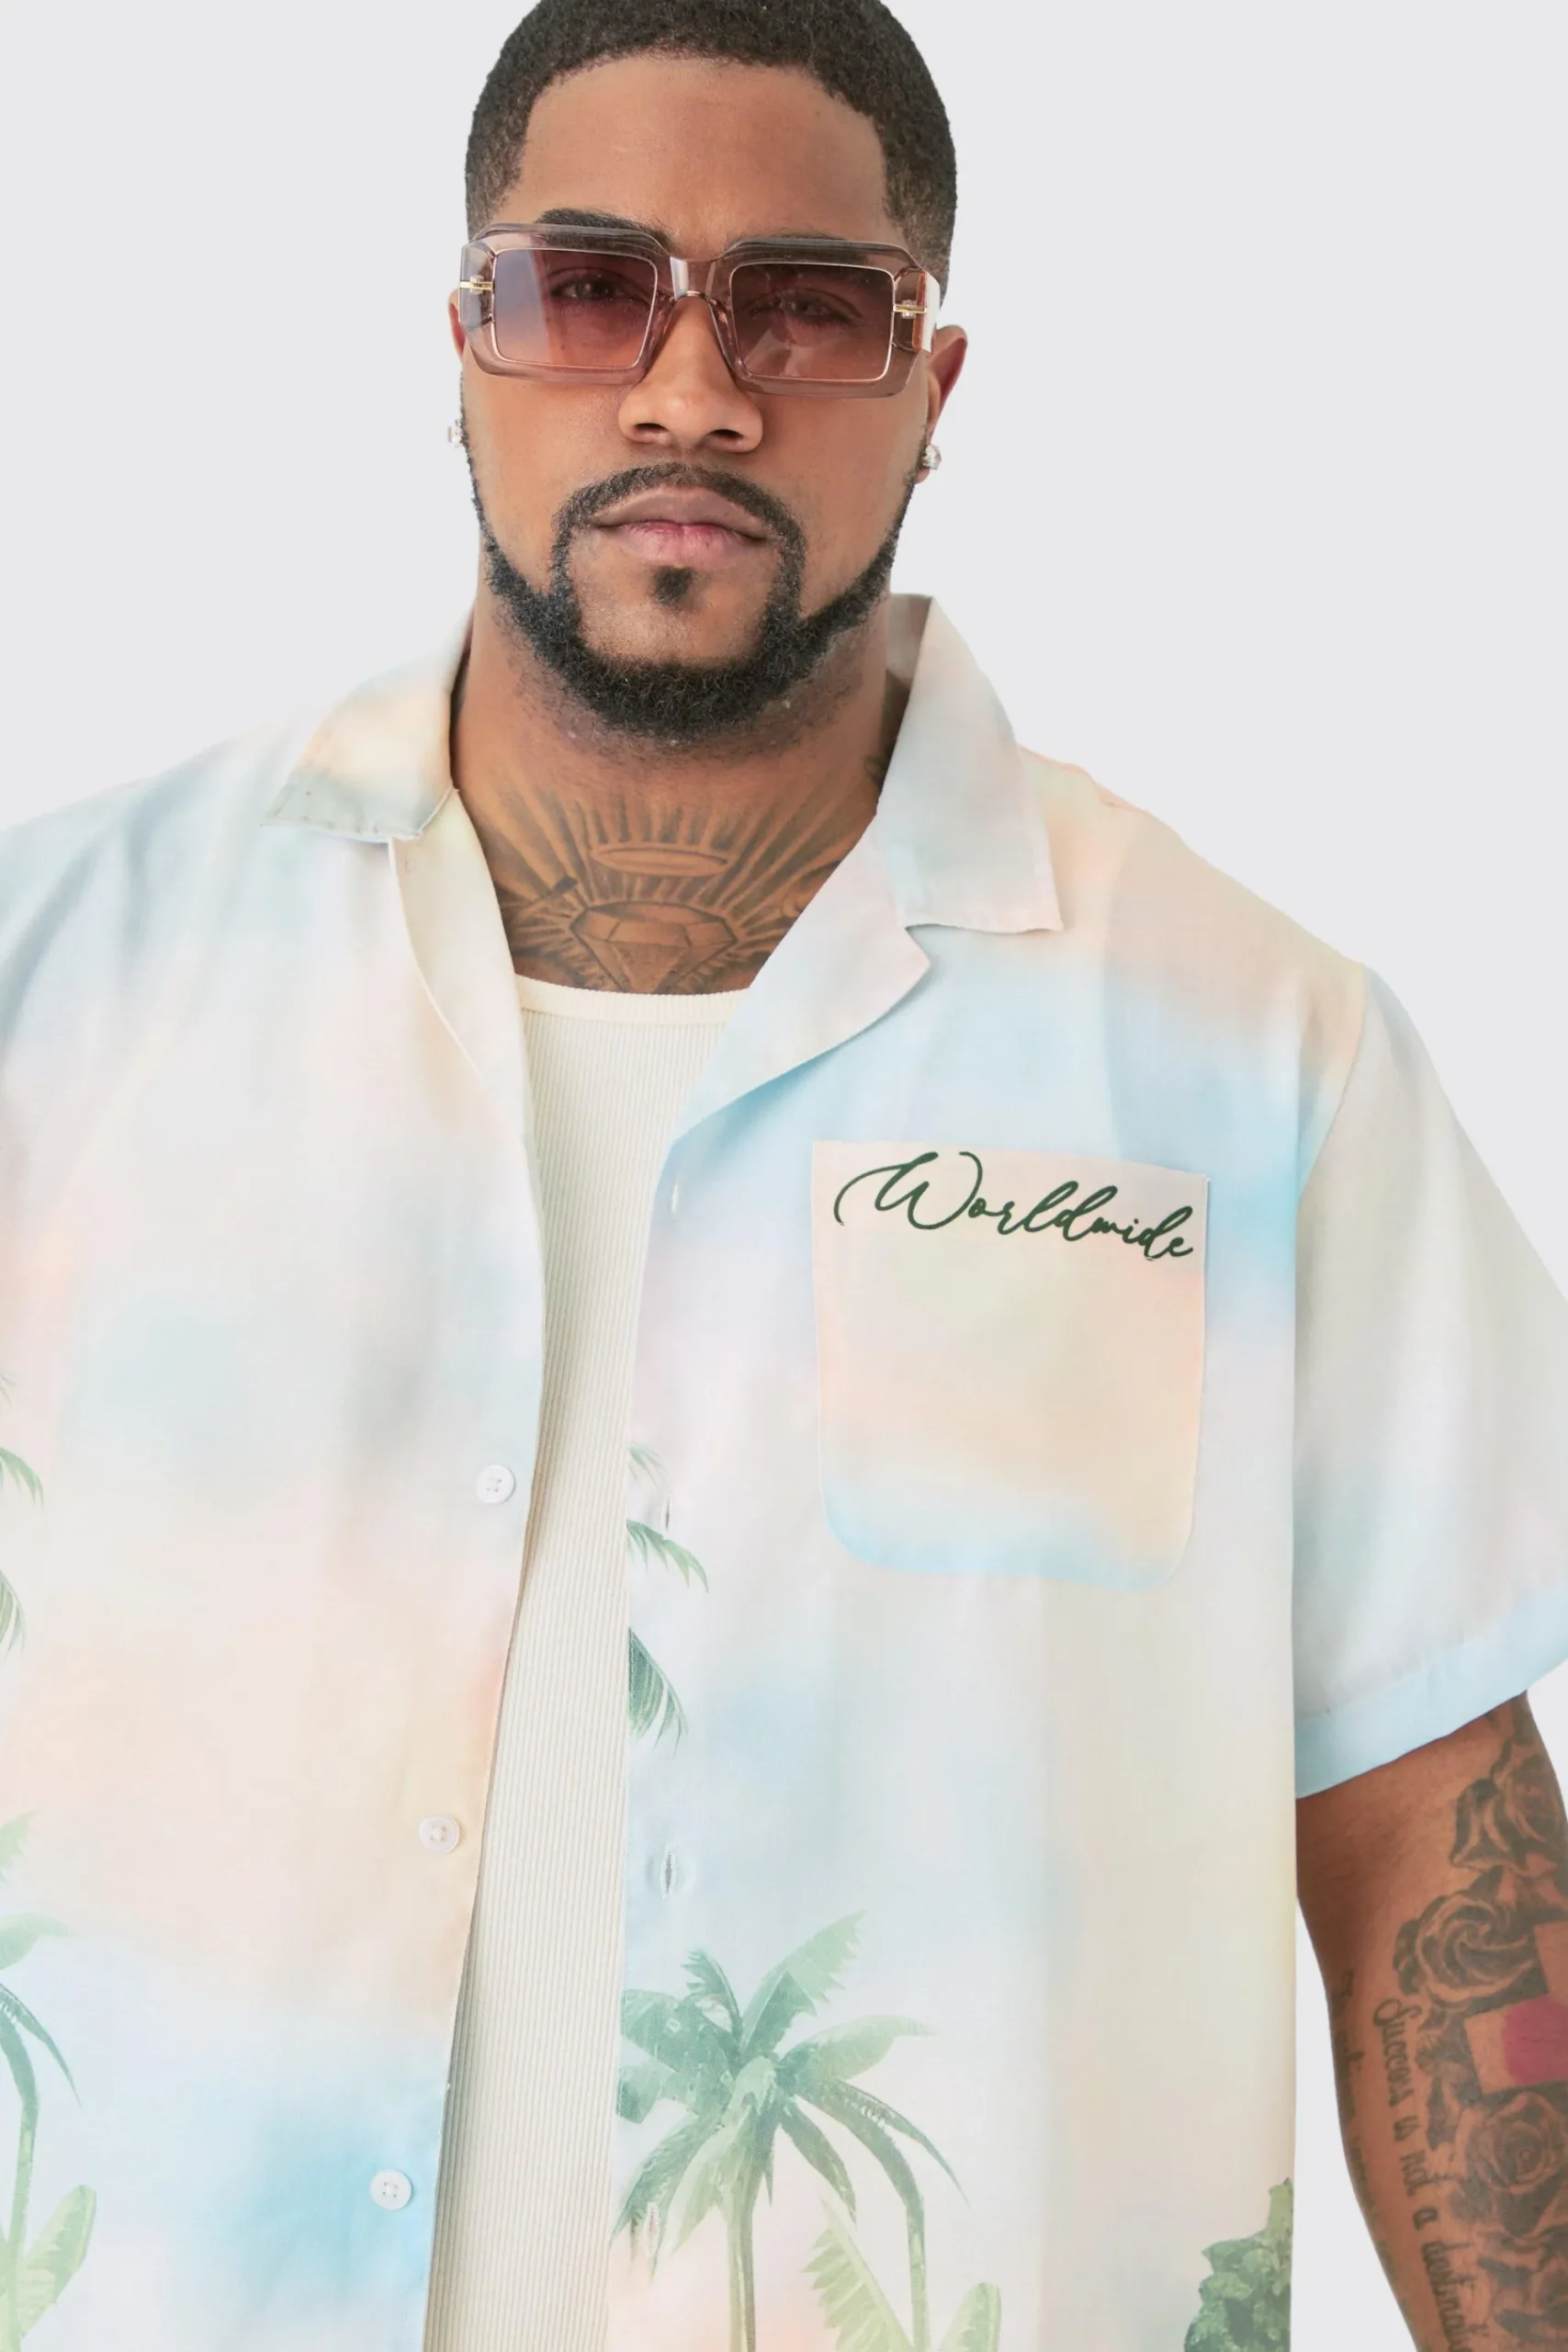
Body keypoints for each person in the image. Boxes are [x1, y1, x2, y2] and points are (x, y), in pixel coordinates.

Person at [1, 1, 1566, 2346]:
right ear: (461, 344)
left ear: (934, 386)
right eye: (588, 287)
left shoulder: (1253, 1059)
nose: (689, 392)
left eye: (806, 308)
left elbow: (1437, 1845)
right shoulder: (55, 989)